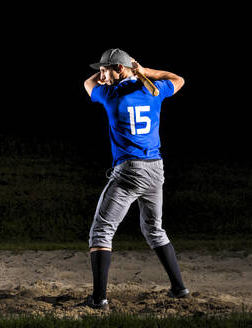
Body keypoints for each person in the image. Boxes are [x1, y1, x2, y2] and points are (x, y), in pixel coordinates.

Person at [84, 48, 189, 311]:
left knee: (101, 232)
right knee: (155, 230)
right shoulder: (154, 92)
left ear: (119, 69)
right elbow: (178, 79)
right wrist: (142, 72)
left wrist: (113, 76)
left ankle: (99, 300)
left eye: (105, 69)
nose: (100, 74)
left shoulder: (111, 94)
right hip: (156, 170)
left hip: (130, 171)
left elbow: (87, 83)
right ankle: (179, 288)